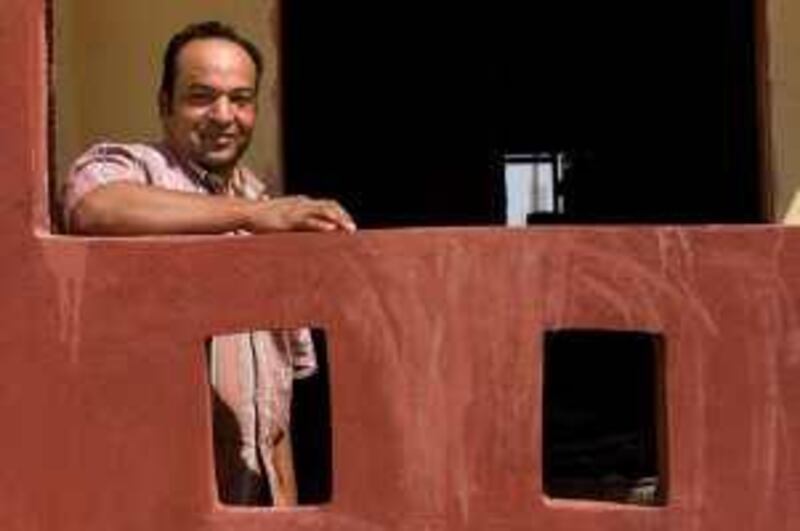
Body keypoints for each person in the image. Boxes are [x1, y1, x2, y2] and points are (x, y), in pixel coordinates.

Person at [63, 20, 355, 506]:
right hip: (166, 501)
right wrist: (254, 215)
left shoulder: (265, 205)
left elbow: (278, 417)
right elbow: (93, 205)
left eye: (241, 99)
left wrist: (289, 514)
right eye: (202, 96)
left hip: (257, 500)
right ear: (164, 104)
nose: (224, 115)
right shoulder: (136, 169)